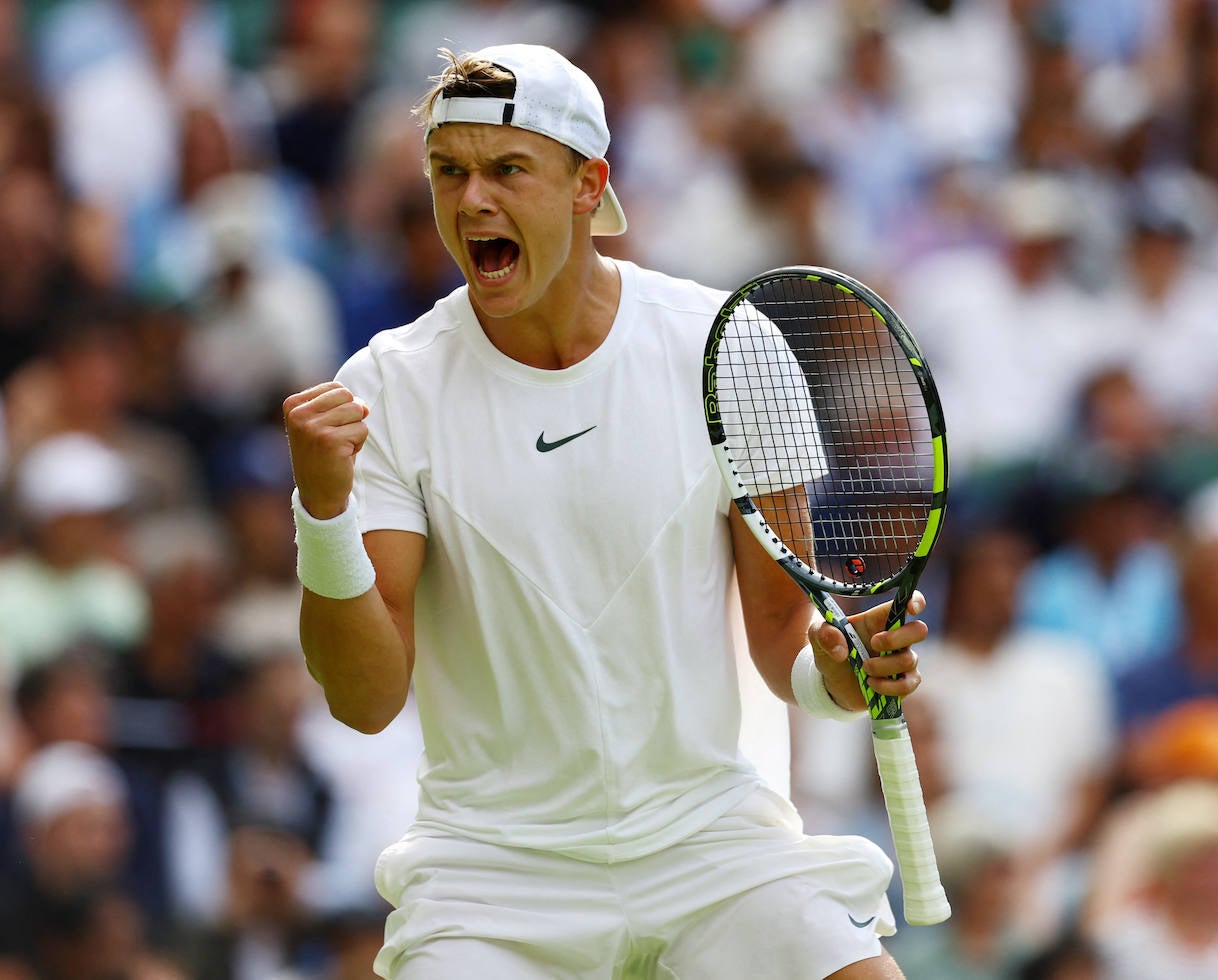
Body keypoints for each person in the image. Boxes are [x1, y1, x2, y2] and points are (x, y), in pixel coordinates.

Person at [282, 44, 930, 979]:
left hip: (714, 848)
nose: (470, 202)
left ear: (590, 186)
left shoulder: (728, 347)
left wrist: (839, 672)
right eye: (448, 172)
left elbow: (784, 638)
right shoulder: (387, 385)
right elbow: (365, 698)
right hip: (494, 879)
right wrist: (324, 512)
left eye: (507, 169)